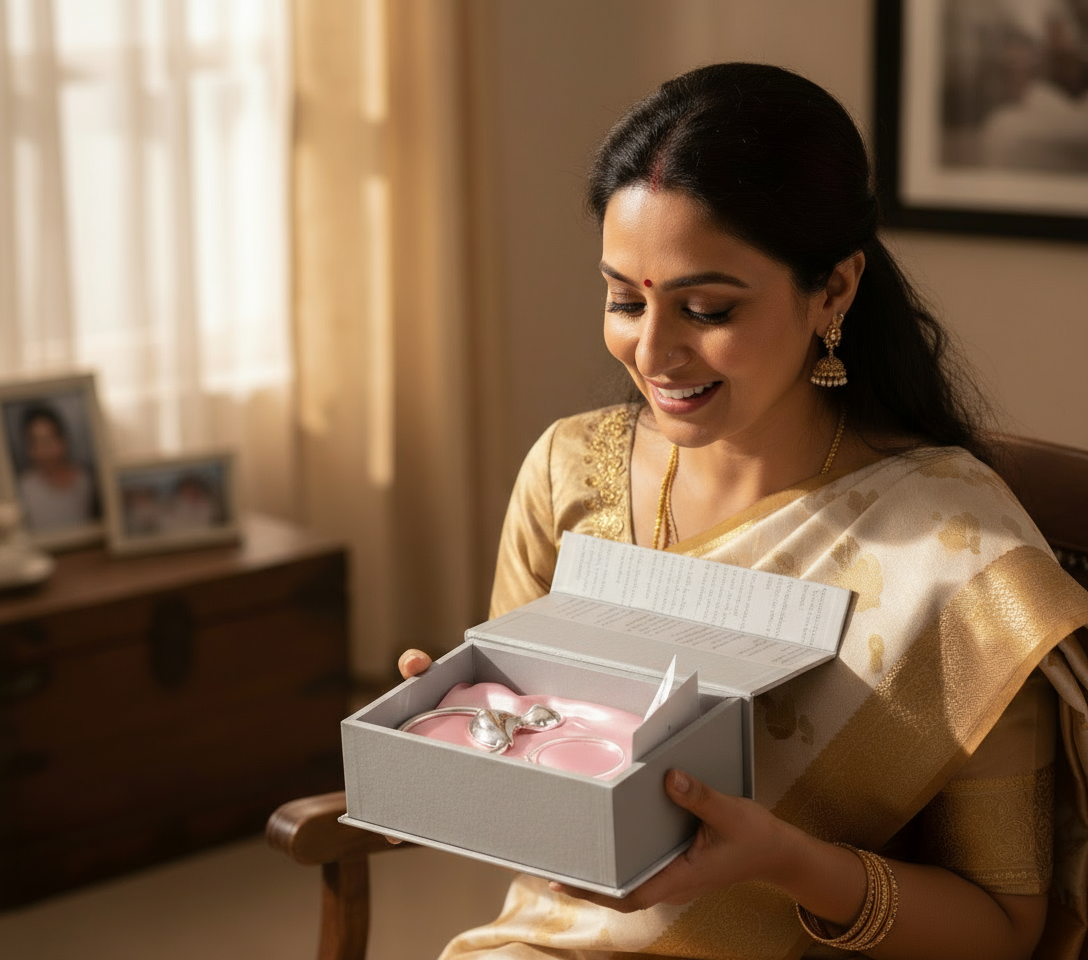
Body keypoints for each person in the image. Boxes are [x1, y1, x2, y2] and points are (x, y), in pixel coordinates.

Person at [398, 63, 1088, 959]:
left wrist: (787, 861)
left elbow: (1002, 929)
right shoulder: (570, 474)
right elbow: (531, 790)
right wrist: (454, 728)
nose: (653, 352)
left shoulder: (961, 557)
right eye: (624, 299)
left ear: (834, 290)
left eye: (706, 309)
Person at [15, 403, 99, 531]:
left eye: (50, 439)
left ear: (63, 440)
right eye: (37, 442)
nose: (45, 450)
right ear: (29, 448)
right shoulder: (24, 488)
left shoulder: (86, 480)